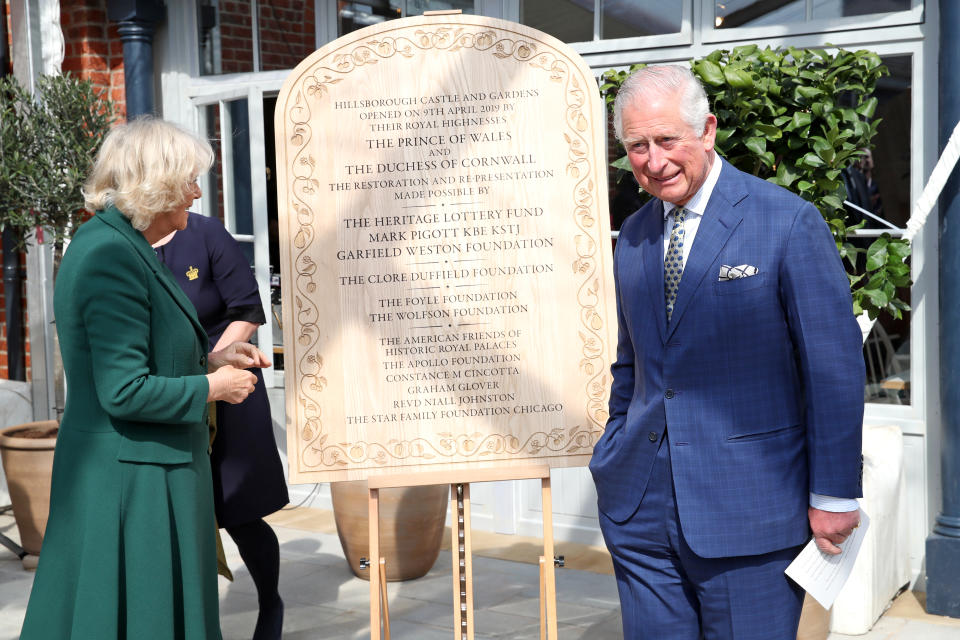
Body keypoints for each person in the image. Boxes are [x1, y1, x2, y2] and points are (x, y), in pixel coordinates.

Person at [588, 65, 865, 639]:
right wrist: (613, 451)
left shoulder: (786, 222)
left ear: (708, 130)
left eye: (667, 140)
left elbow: (832, 370)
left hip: (749, 511)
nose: (654, 161)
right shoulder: (634, 235)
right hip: (640, 513)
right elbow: (631, 363)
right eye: (637, 146)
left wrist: (834, 493)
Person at [20, 117, 269, 640]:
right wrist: (212, 389)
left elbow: (145, 357)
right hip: (131, 481)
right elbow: (123, 389)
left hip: (147, 471)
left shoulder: (127, 246)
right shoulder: (111, 254)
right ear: (153, 185)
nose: (197, 193)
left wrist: (213, 363)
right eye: (188, 180)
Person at [153, 210, 289, 640]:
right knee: (171, 511)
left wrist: (209, 371)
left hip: (229, 384)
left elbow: (248, 309)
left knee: (238, 509)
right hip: (163, 392)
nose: (194, 188)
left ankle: (271, 603)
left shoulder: (205, 231)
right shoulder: (122, 243)